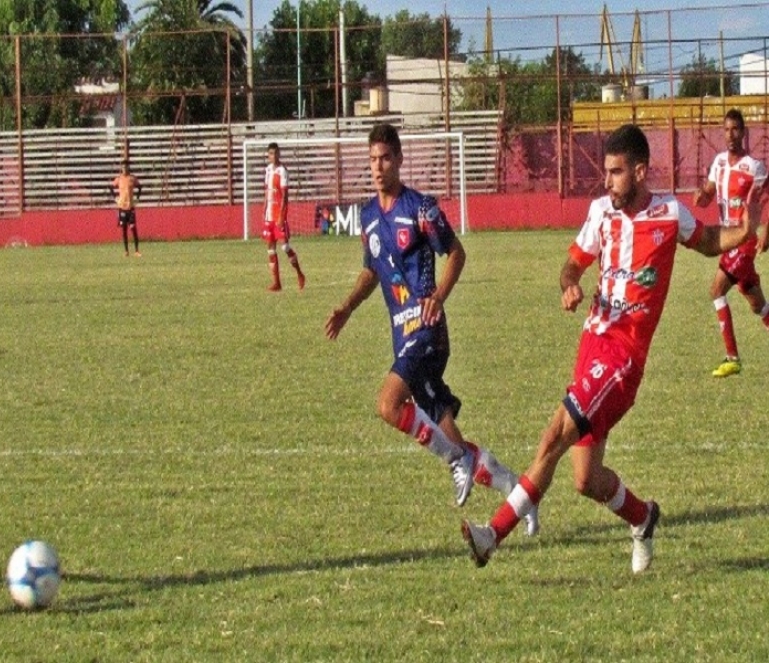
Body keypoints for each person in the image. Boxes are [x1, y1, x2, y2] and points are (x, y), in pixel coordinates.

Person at [461, 124, 757, 573]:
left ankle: (491, 535)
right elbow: (572, 263)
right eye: (607, 171)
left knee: (555, 434)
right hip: (592, 345)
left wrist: (747, 230)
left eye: (617, 172)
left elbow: (709, 241)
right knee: (585, 479)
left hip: (623, 359)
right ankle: (643, 517)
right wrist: (569, 285)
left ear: (640, 172)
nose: (608, 181)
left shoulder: (669, 213)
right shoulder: (601, 212)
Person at [324, 123, 539, 535]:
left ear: (400, 159)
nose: (378, 166)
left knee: (388, 404)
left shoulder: (420, 208)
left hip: (427, 329)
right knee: (448, 433)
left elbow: (456, 252)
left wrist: (437, 296)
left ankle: (456, 460)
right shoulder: (369, 217)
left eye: (385, 157)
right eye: (372, 159)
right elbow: (372, 272)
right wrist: (348, 306)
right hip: (401, 335)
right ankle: (519, 495)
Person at [693, 109, 768, 377]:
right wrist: (701, 196)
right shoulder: (719, 163)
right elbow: (708, 194)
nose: (731, 135)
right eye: (726, 130)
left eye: (736, 129)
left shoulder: (754, 168)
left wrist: (766, 231)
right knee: (758, 305)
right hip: (727, 242)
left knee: (716, 290)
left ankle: (732, 357)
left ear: (744, 132)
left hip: (744, 242)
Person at [264, 143, 306, 291]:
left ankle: (300, 274)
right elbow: (267, 191)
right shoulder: (268, 170)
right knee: (270, 248)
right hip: (269, 214)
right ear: (268, 155)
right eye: (270, 154)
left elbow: (285, 197)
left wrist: (281, 216)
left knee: (284, 246)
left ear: (279, 154)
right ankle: (277, 283)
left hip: (278, 214)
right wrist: (264, 209)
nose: (273, 156)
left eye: (275, 153)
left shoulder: (283, 171)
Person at [109, 160, 143, 257]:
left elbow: (140, 187)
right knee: (124, 229)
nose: (125, 169)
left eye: (126, 167)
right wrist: (115, 198)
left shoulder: (132, 178)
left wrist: (137, 198)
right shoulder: (119, 179)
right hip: (122, 207)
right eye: (123, 167)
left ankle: (136, 251)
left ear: (128, 168)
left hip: (131, 207)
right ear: (122, 168)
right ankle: (126, 251)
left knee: (133, 228)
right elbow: (111, 187)